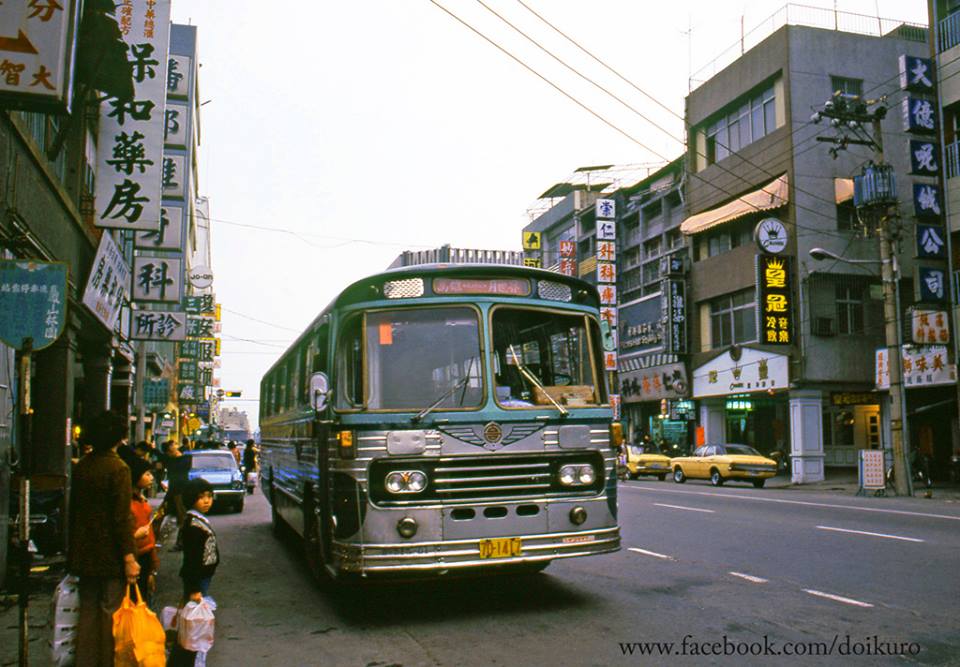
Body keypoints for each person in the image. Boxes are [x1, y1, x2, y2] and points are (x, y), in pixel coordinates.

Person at [67, 410, 140, 666]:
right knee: (111, 612)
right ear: (118, 437)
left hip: (84, 552)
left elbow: (73, 511)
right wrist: (129, 557)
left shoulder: (83, 466)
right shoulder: (118, 468)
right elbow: (121, 518)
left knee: (87, 612)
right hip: (110, 554)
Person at [170, 478, 220, 667]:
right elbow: (191, 560)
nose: (207, 501)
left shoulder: (198, 520)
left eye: (209, 496)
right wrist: (194, 588)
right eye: (201, 498)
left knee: (195, 622)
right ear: (191, 499)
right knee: (196, 625)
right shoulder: (192, 525)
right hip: (198, 580)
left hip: (202, 579)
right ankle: (193, 661)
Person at [129, 457, 160, 606]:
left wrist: (153, 566)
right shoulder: (127, 503)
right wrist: (135, 536)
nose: (151, 477)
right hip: (134, 556)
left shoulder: (141, 500)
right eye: (147, 474)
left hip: (146, 554)